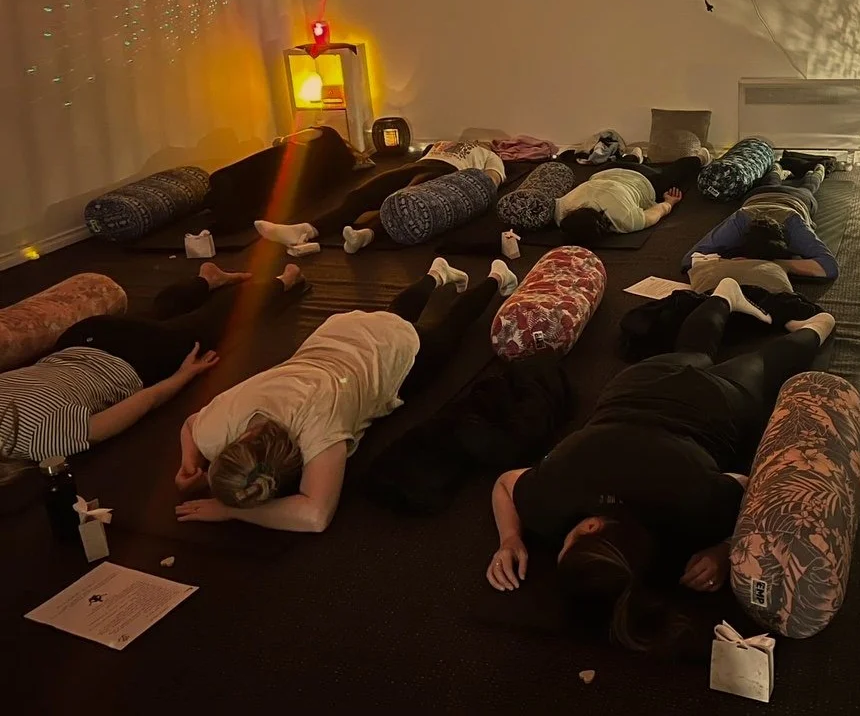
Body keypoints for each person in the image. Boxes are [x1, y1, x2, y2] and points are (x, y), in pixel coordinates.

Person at [485, 277, 837, 650]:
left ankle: (819, 322)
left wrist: (726, 548)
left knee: (762, 362)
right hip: (650, 387)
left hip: (703, 402)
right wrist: (510, 538)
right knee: (697, 354)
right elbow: (507, 483)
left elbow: (746, 483)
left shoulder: (693, 515)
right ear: (589, 526)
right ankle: (724, 296)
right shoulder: (557, 497)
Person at [173, 257, 518, 533]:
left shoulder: (318, 432)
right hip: (339, 334)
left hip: (390, 357)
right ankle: (435, 273)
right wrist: (189, 461)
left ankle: (497, 277)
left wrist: (231, 511)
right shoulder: (221, 422)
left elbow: (314, 516)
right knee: (392, 315)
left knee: (448, 331)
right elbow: (190, 426)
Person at [0, 263, 304, 478]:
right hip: (81, 337)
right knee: (157, 313)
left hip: (135, 357)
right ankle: (206, 280)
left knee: (214, 319)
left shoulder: (40, 441)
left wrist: (183, 375)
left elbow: (142, 402)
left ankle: (285, 280)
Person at [254, 139, 507, 255]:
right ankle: (305, 230)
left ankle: (365, 235)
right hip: (415, 165)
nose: (479, 140)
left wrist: (466, 191)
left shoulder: (489, 155)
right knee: (360, 195)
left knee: (404, 202)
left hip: (447, 175)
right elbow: (418, 156)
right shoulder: (441, 143)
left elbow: (491, 180)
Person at [682, 160, 837, 279]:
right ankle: (784, 168)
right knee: (788, 186)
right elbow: (689, 261)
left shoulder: (794, 226)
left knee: (807, 188)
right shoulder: (741, 220)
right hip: (762, 196)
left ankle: (816, 170)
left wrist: (775, 264)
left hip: (792, 199)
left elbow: (830, 267)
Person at [556, 149, 710, 247]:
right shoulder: (562, 208)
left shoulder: (626, 220)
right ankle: (633, 156)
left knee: (668, 176)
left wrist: (669, 202)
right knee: (621, 164)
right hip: (604, 170)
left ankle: (700, 158)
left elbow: (656, 212)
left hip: (641, 177)